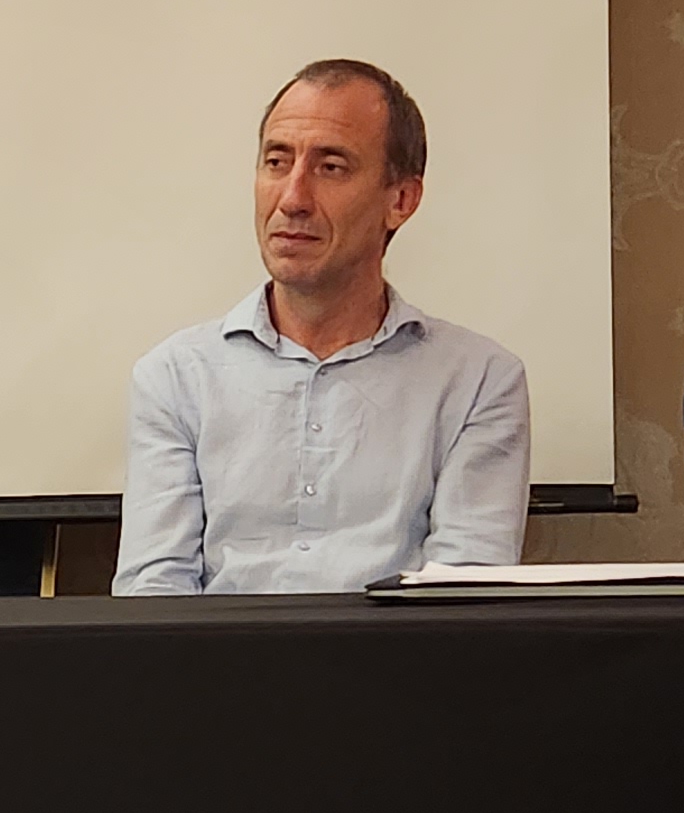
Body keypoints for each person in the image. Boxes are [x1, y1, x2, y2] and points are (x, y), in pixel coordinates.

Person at [119, 60, 530, 593]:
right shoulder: (175, 377)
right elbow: (155, 594)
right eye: (276, 161)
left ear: (399, 200)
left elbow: (462, 596)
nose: (292, 198)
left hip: (398, 674)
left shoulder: (478, 381)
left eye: (330, 167)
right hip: (218, 674)